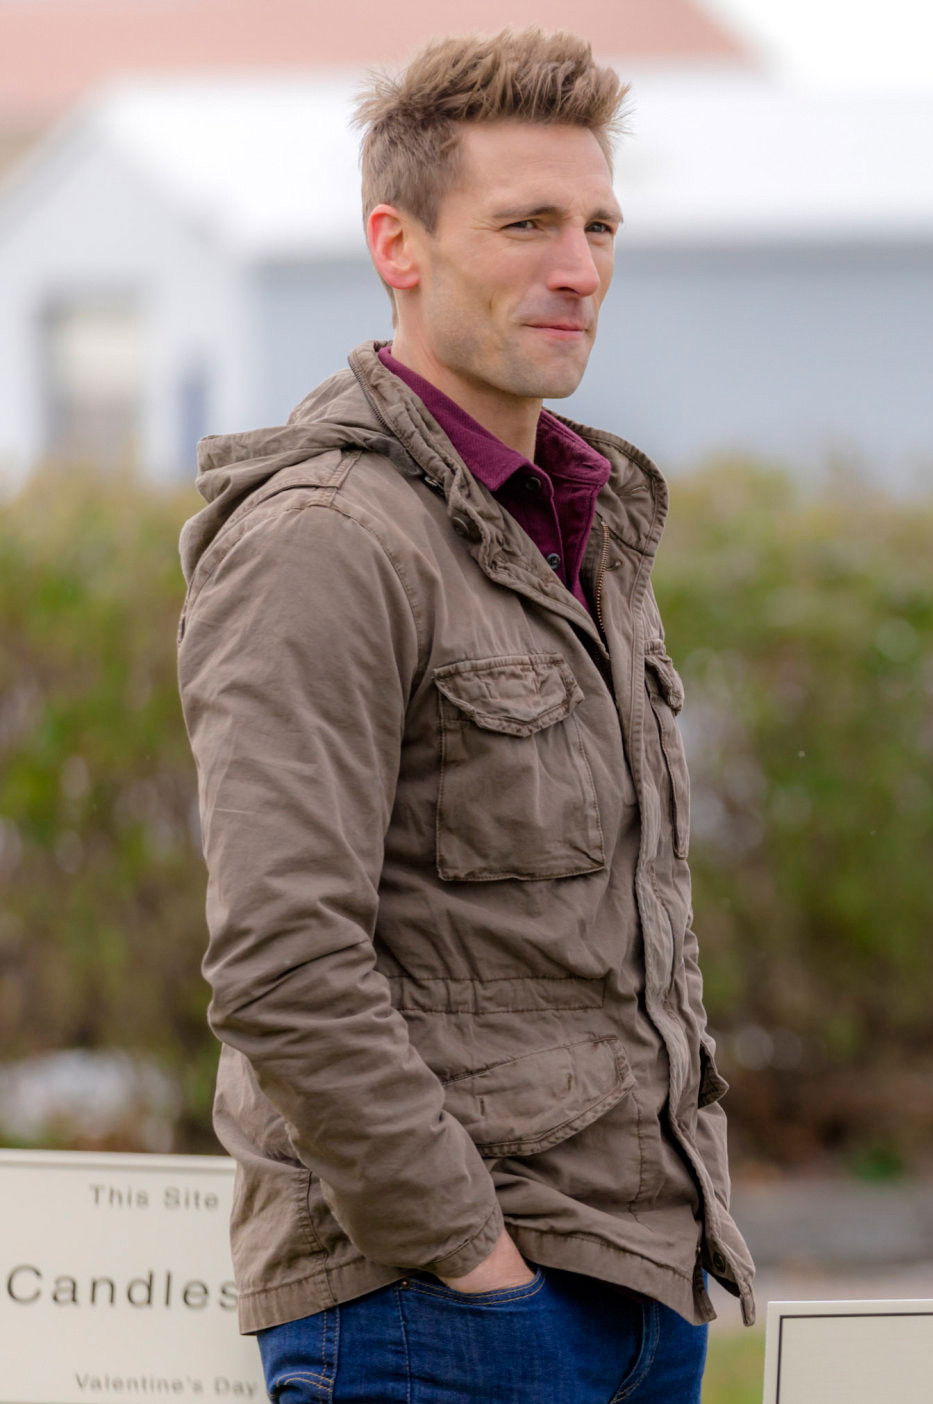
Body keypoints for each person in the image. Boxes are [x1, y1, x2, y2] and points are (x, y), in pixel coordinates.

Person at [175, 28, 752, 1402]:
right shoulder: (325, 538)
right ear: (399, 245)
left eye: (600, 227)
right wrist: (471, 1260)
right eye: (527, 224)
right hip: (435, 1310)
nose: (580, 269)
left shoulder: (585, 522)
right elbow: (281, 960)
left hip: (641, 1283)